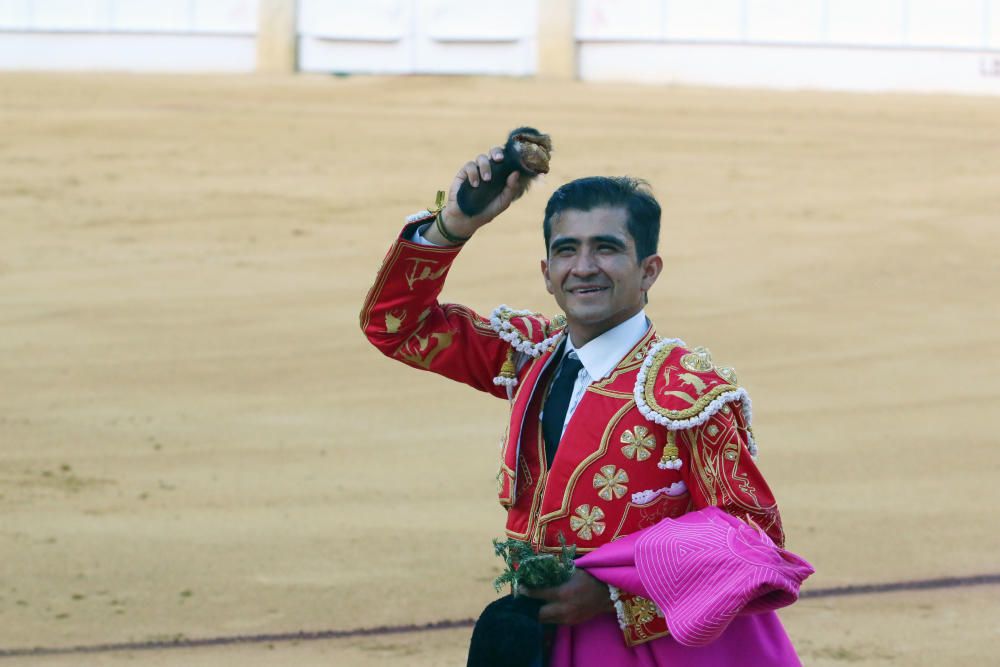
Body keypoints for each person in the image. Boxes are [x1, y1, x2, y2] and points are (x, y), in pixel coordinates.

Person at [360, 144, 808, 665]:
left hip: (655, 646)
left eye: (607, 249)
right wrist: (453, 224)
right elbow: (396, 326)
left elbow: (752, 533)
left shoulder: (687, 390)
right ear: (546, 271)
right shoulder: (529, 356)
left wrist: (620, 591)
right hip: (545, 638)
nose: (584, 268)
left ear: (649, 270)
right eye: (567, 250)